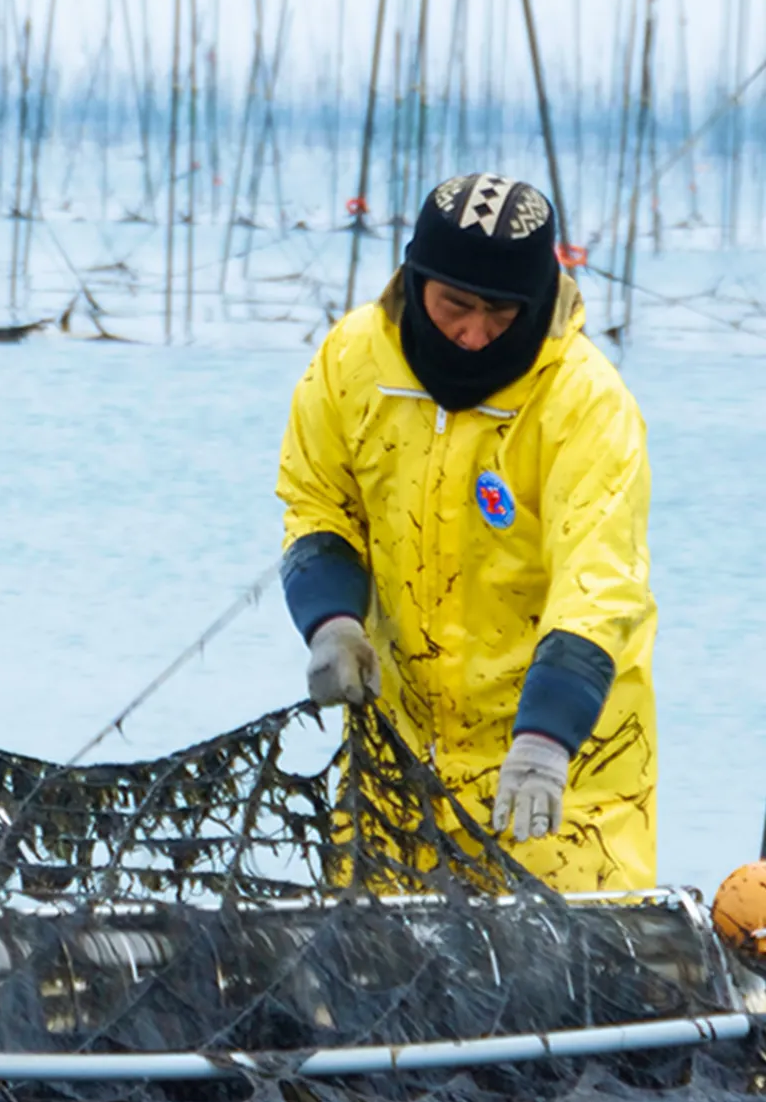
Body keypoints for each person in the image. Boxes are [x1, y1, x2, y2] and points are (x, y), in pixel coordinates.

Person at [276, 172, 657, 893]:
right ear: (416, 279)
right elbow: (317, 502)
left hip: (563, 779)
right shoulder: (351, 363)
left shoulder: (586, 404)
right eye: (455, 306)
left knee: (558, 962)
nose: (475, 335)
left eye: (502, 313)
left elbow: (599, 586)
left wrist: (547, 736)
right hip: (394, 772)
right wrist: (331, 625)